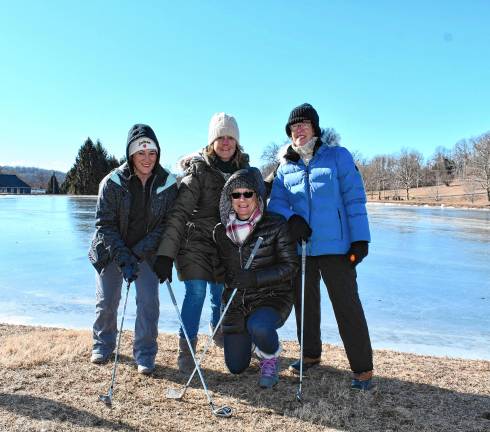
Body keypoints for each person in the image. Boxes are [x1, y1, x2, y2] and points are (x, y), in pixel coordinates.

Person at [268, 103, 375, 391]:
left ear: (315, 127)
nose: (298, 130)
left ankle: (362, 368)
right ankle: (310, 354)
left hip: (337, 246)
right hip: (302, 247)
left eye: (303, 124)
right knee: (305, 304)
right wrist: (292, 220)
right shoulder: (284, 166)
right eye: (293, 127)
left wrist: (360, 239)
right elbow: (276, 203)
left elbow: (354, 198)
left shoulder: (337, 157)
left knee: (346, 305)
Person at [153, 112, 249, 373]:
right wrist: (165, 254)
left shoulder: (244, 172)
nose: (226, 142)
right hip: (193, 240)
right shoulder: (198, 170)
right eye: (221, 137)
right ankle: (187, 351)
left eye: (230, 137)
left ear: (237, 142)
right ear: (212, 141)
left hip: (225, 242)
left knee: (219, 294)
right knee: (196, 292)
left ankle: (218, 330)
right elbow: (179, 213)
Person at [88, 124, 177, 375]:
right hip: (110, 250)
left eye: (152, 153)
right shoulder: (112, 182)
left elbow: (166, 225)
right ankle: (103, 345)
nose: (147, 159)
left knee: (149, 302)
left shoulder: (168, 183)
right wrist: (123, 256)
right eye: (141, 153)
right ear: (130, 155)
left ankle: (145, 353)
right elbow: (104, 224)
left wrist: (137, 252)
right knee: (107, 301)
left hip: (145, 252)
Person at [213, 168, 298, 388]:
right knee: (236, 367)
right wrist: (223, 275)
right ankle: (251, 343)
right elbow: (217, 268)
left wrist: (254, 278)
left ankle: (269, 357)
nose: (242, 200)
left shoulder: (276, 225)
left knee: (259, 326)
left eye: (247, 193)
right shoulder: (221, 232)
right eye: (236, 194)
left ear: (258, 196)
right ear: (229, 199)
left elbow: (290, 266)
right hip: (238, 302)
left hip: (272, 296)